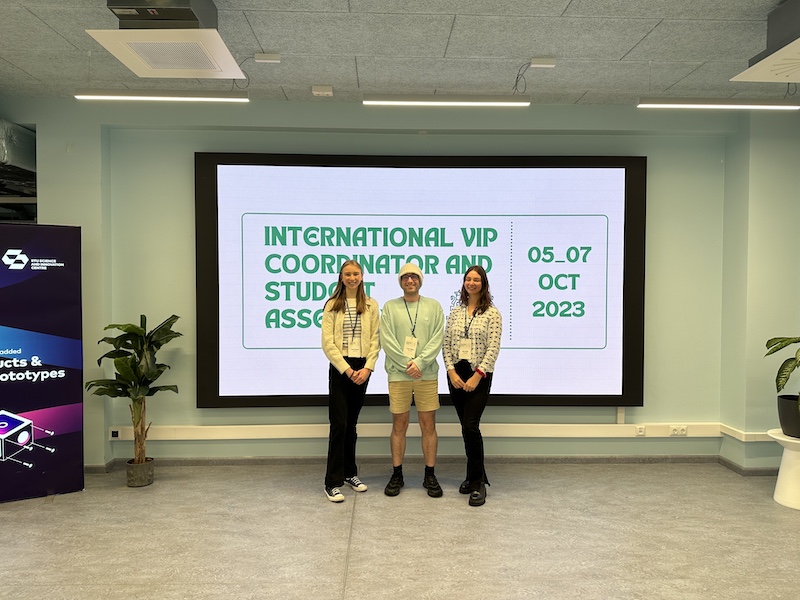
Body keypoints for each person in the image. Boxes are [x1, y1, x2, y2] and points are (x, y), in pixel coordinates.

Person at [379, 262, 445, 497]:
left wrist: (419, 363)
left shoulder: (434, 306)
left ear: (420, 280)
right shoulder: (389, 307)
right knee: (400, 425)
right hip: (399, 375)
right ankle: (397, 474)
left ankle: (430, 475)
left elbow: (437, 338)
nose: (410, 281)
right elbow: (386, 340)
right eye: (405, 277)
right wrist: (407, 364)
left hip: (426, 375)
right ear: (400, 281)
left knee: (429, 425)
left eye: (414, 277)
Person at [321, 260, 381, 502]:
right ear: (341, 277)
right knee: (339, 425)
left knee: (352, 425)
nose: (352, 278)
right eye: (348, 274)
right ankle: (331, 482)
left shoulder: (371, 305)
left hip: (362, 368)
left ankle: (349, 473)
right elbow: (327, 343)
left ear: (362, 276)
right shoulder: (332, 304)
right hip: (341, 368)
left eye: (356, 274)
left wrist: (367, 368)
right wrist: (347, 369)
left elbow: (376, 339)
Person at [442, 265, 501, 506]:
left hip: (479, 375)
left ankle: (478, 484)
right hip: (457, 374)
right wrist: (451, 371)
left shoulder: (492, 313)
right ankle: (472, 476)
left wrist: (477, 375)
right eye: (468, 279)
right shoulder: (455, 312)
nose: (472, 283)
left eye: (476, 280)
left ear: (483, 284)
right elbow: (446, 344)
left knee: (471, 426)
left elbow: (493, 348)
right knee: (465, 428)